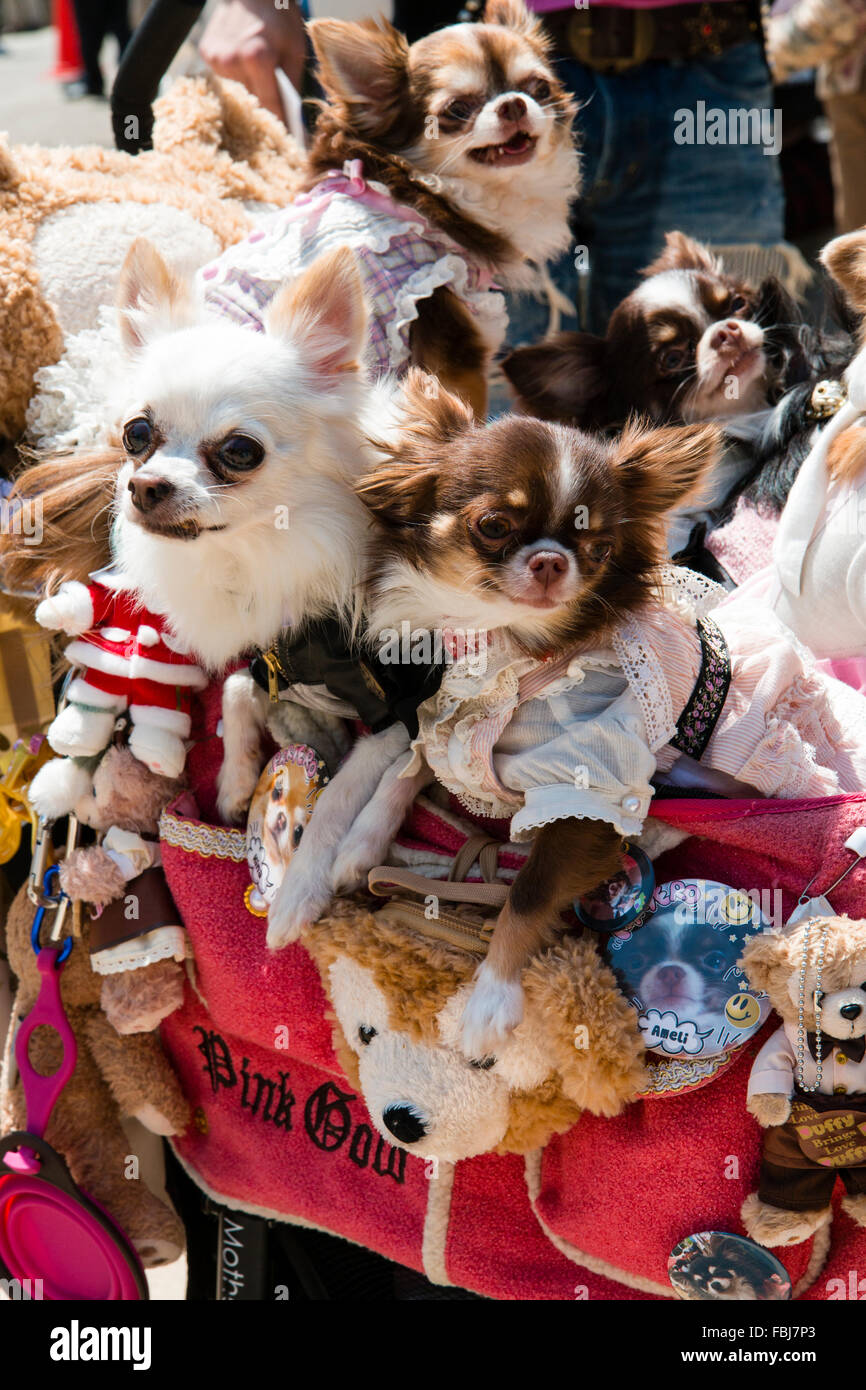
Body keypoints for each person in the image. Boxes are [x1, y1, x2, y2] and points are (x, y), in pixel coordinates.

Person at [198, 0, 786, 334]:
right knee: (489, 442)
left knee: (720, 371)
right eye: (458, 111)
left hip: (711, 61)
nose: (509, 108)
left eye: (526, 93)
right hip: (458, 27)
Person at [768, 0, 866, 234]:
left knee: (857, 246)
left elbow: (835, 12)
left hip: (851, 84)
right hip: (848, 80)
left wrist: (744, 58)